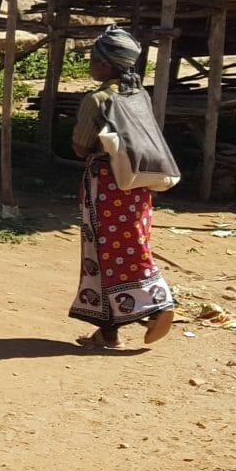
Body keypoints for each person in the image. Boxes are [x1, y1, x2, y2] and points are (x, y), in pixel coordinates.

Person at [70, 27, 176, 349]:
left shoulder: (98, 99)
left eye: (94, 58)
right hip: (138, 186)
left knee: (113, 252)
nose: (90, 63)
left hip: (106, 188)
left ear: (107, 64)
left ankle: (159, 303)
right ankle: (107, 332)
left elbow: (79, 145)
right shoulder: (138, 94)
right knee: (120, 249)